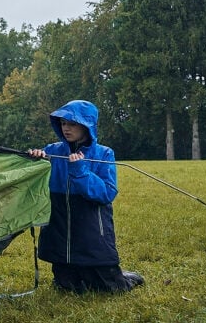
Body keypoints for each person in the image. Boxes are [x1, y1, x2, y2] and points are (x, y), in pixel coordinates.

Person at [27, 99, 143, 294]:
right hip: (60, 226)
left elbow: (106, 193)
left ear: (87, 125)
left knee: (109, 288)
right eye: (63, 123)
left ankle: (126, 278)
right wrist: (35, 161)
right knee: (68, 287)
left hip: (90, 228)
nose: (66, 128)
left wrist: (80, 171)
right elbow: (35, 182)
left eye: (72, 124)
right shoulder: (53, 151)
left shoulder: (104, 154)